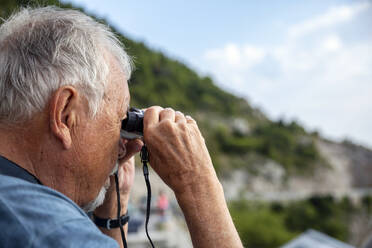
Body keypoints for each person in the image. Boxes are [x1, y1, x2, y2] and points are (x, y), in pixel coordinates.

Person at [0, 6, 243, 248]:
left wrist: (113, 206)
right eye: (120, 120)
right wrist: (196, 182)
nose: (122, 148)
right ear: (65, 115)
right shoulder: (51, 231)